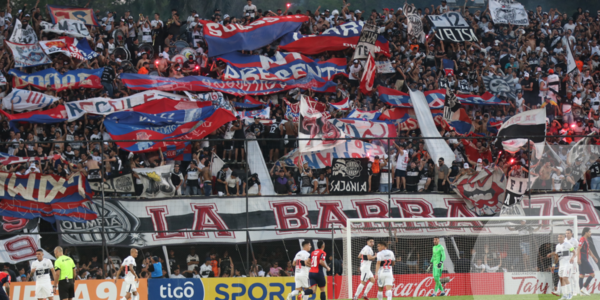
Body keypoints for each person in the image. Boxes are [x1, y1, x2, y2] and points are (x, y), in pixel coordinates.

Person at [547, 233, 574, 300]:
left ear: (564, 238)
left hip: (567, 264)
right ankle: (564, 295)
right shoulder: (557, 246)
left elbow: (574, 251)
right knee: (561, 280)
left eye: (561, 237)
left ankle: (570, 293)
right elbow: (557, 257)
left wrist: (573, 257)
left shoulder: (568, 244)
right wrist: (553, 265)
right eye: (558, 237)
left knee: (565, 278)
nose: (559, 238)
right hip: (561, 265)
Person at [578, 227, 598, 296]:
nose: (590, 233)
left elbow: (588, 250)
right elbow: (578, 249)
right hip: (583, 259)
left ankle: (581, 292)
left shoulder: (586, 240)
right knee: (592, 274)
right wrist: (578, 259)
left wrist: (594, 257)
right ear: (586, 232)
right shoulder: (582, 239)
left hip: (584, 259)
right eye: (589, 232)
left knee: (581, 275)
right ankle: (584, 288)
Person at [565, 229, 580, 296]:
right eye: (566, 233)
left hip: (573, 260)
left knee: (573, 275)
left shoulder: (575, 241)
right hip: (566, 260)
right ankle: (568, 291)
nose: (567, 234)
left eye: (568, 233)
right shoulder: (564, 240)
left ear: (571, 234)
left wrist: (574, 257)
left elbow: (577, 250)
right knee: (566, 276)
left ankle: (575, 291)